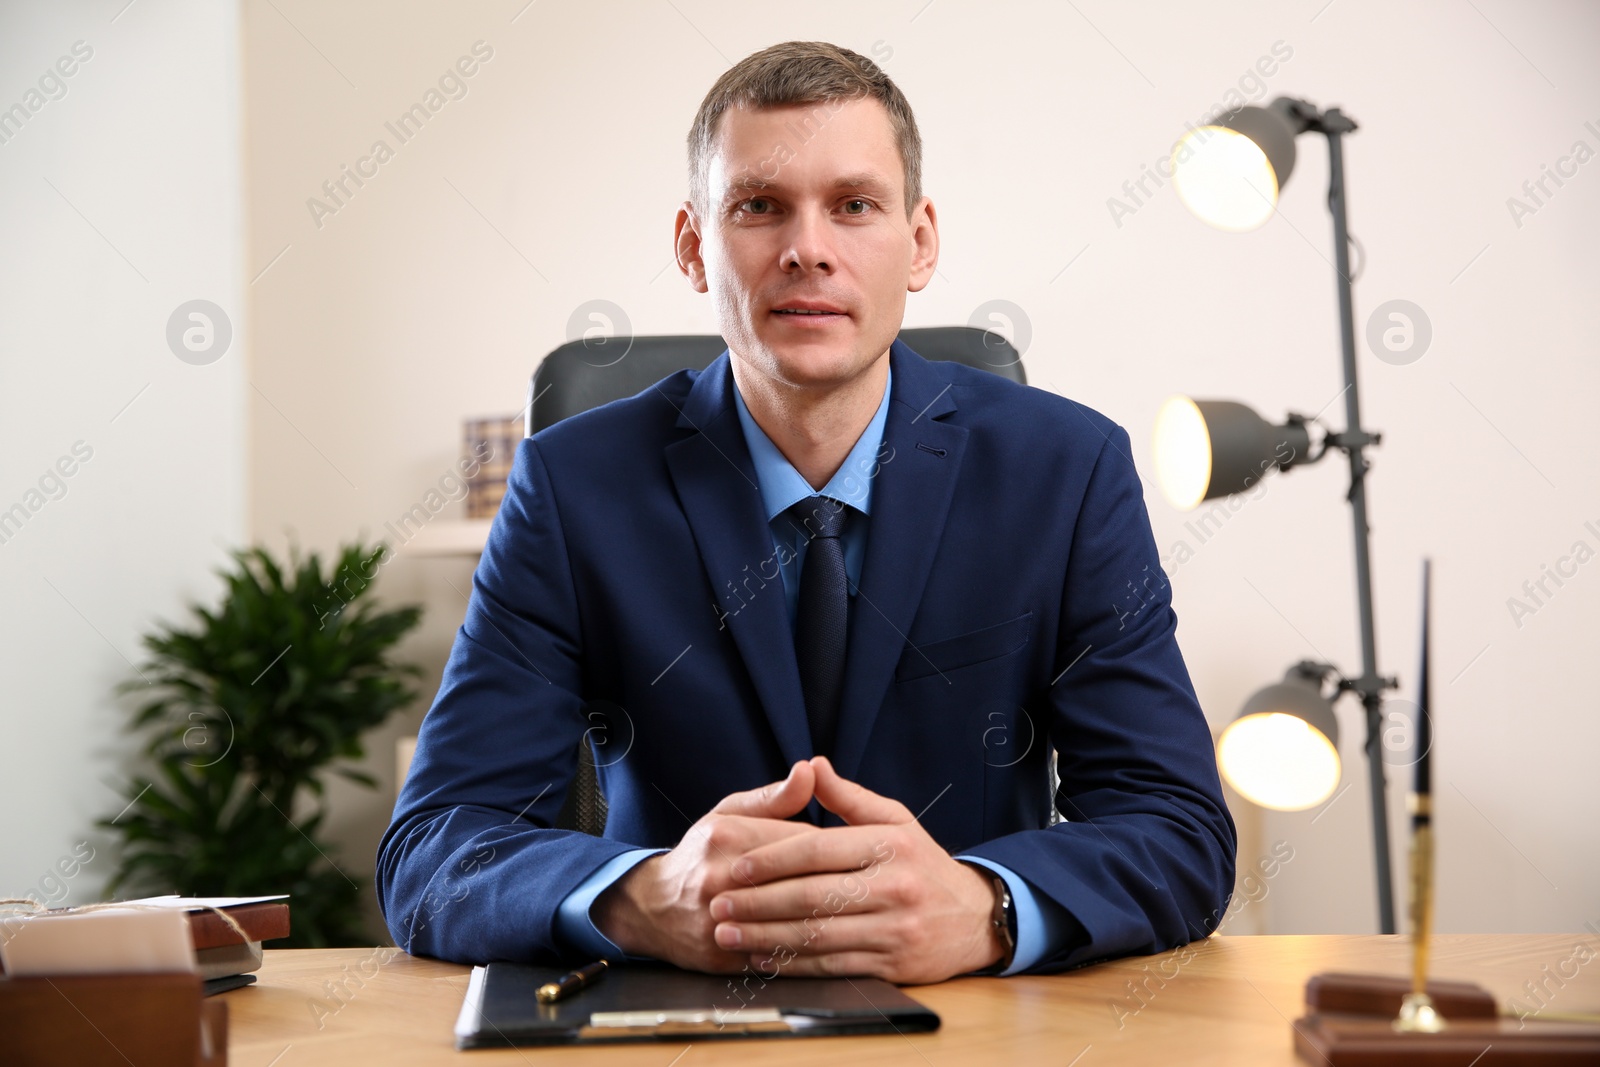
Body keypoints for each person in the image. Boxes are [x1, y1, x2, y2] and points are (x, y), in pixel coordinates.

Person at [376, 40, 1235, 983]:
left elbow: (1179, 827)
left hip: (974, 1026)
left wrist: (985, 906)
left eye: (855, 205)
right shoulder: (571, 486)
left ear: (920, 241)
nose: (808, 249)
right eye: (759, 207)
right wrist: (645, 897)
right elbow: (432, 850)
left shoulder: (1067, 471)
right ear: (694, 247)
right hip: (678, 1022)